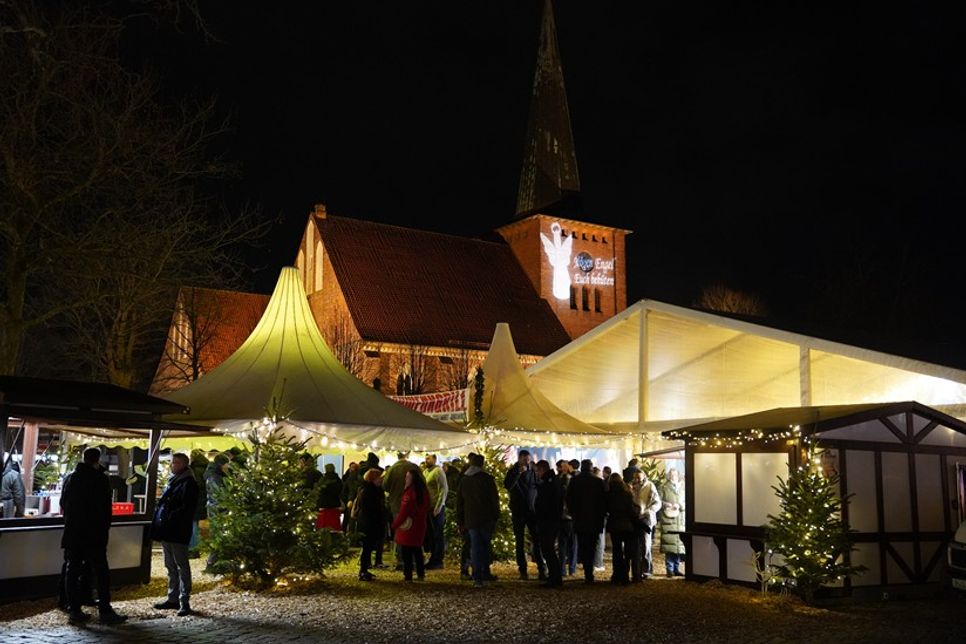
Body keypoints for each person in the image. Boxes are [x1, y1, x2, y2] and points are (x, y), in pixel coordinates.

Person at [61, 447, 127, 625]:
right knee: (101, 570)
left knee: (72, 570)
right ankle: (105, 610)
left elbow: (63, 503)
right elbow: (105, 508)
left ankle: (74, 610)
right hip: (94, 533)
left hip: (74, 532)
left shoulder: (71, 478)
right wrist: (104, 528)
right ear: (98, 460)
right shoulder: (100, 479)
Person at [152, 452, 200, 616]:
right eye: (172, 463)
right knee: (171, 565)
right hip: (169, 529)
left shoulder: (188, 483)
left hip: (177, 529)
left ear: (184, 465)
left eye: (176, 463)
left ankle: (183, 600)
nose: (173, 465)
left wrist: (169, 517)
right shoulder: (175, 481)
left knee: (181, 565)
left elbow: (186, 508)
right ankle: (173, 598)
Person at [457, 452, 500, 588]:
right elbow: (494, 499)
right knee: (485, 546)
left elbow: (460, 503)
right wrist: (495, 515)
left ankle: (477, 577)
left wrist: (460, 521)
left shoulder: (465, 480)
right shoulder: (487, 479)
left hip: (471, 519)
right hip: (486, 518)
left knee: (475, 547)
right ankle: (485, 572)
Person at [503, 449, 545, 580]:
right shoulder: (513, 471)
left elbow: (538, 486)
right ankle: (523, 569)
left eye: (528, 459)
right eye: (525, 460)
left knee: (537, 540)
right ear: (520, 459)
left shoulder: (533, 471)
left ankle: (541, 569)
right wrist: (518, 474)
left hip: (532, 511)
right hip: (518, 511)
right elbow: (508, 485)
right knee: (519, 541)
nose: (527, 462)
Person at [566, 459, 607, 583]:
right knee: (592, 546)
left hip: (580, 519)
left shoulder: (574, 481)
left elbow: (569, 499)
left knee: (583, 546)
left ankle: (587, 572)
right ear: (591, 467)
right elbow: (603, 501)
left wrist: (573, 513)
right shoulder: (598, 482)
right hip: (595, 519)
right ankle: (590, 573)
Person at [391, 468, 430, 582]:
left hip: (409, 526)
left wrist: (395, 525)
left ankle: (408, 575)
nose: (405, 479)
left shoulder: (409, 493)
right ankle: (420, 573)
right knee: (417, 549)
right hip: (420, 524)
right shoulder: (424, 491)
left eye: (407, 477)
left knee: (407, 551)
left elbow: (404, 512)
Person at [605, 473, 641, 585]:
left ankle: (617, 575)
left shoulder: (608, 495)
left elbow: (606, 509)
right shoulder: (626, 494)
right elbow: (631, 510)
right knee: (628, 551)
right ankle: (626, 575)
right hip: (626, 525)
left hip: (614, 525)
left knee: (617, 551)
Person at [534, 460, 564, 588]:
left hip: (548, 520)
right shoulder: (553, 481)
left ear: (542, 469)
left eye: (537, 471)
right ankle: (554, 577)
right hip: (551, 519)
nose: (536, 473)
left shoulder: (549, 482)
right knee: (549, 549)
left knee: (548, 549)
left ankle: (555, 578)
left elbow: (547, 502)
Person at [354, 468, 386, 581]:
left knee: (368, 547)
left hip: (371, 522)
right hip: (369, 523)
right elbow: (368, 508)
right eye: (379, 478)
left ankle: (364, 570)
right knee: (367, 547)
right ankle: (363, 570)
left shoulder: (373, 490)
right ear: (373, 478)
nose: (381, 480)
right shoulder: (368, 491)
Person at [631, 470, 662, 580]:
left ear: (644, 476)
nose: (637, 479)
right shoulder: (632, 487)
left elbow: (657, 502)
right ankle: (638, 570)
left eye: (639, 477)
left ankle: (646, 569)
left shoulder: (650, 486)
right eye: (635, 477)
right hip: (634, 519)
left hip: (646, 519)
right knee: (636, 546)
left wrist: (648, 511)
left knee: (645, 545)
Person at [203, 452, 231, 570]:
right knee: (218, 535)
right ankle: (212, 563)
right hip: (218, 508)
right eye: (227, 464)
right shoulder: (215, 476)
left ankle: (216, 562)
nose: (228, 466)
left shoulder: (215, 474)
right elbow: (221, 493)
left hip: (216, 507)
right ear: (221, 464)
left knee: (218, 535)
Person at [423, 453, 449, 569]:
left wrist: (439, 506)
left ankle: (438, 559)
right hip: (429, 507)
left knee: (437, 533)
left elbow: (443, 489)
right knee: (432, 534)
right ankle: (433, 557)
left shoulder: (438, 472)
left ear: (434, 459)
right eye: (425, 458)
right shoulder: (426, 472)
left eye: (428, 458)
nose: (426, 460)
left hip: (436, 507)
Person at [659, 467, 686, 577]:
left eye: (675, 474)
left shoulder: (683, 487)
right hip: (668, 519)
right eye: (671, 474)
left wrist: (680, 505)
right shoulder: (663, 487)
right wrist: (665, 504)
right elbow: (658, 501)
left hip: (680, 519)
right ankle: (669, 568)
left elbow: (687, 500)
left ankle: (676, 567)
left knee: (679, 545)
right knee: (669, 545)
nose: (673, 476)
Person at [555, 460, 576, 578]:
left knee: (563, 545)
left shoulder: (557, 481)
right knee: (571, 545)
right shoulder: (573, 481)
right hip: (569, 517)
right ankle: (570, 569)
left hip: (562, 516)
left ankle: (563, 569)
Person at [188, 449, 209, 558]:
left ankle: (193, 549)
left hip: (194, 501)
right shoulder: (205, 467)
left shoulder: (194, 470)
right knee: (194, 525)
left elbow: (194, 486)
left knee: (192, 526)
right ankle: (194, 548)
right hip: (201, 501)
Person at [315, 463, 343, 530]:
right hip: (335, 506)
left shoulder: (323, 479)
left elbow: (319, 491)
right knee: (334, 526)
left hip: (324, 506)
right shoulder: (338, 480)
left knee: (324, 526)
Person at [341, 461, 361, 533]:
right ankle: (352, 534)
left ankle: (347, 533)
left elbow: (347, 490)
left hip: (350, 501)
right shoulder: (358, 478)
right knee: (352, 518)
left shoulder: (350, 477)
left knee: (349, 518)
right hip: (353, 500)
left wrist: (348, 499)